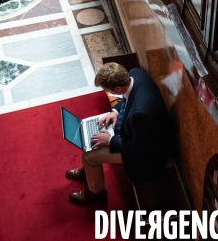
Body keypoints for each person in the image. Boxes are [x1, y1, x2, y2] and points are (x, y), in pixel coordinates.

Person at [66, 62, 173, 205]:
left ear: (117, 88)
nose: (107, 92)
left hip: (148, 157)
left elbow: (139, 149)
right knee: (93, 141)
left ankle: (96, 192)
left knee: (88, 155)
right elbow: (127, 98)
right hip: (138, 132)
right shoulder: (134, 74)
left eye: (107, 90)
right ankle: (89, 171)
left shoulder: (140, 114)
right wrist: (115, 112)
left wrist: (110, 141)